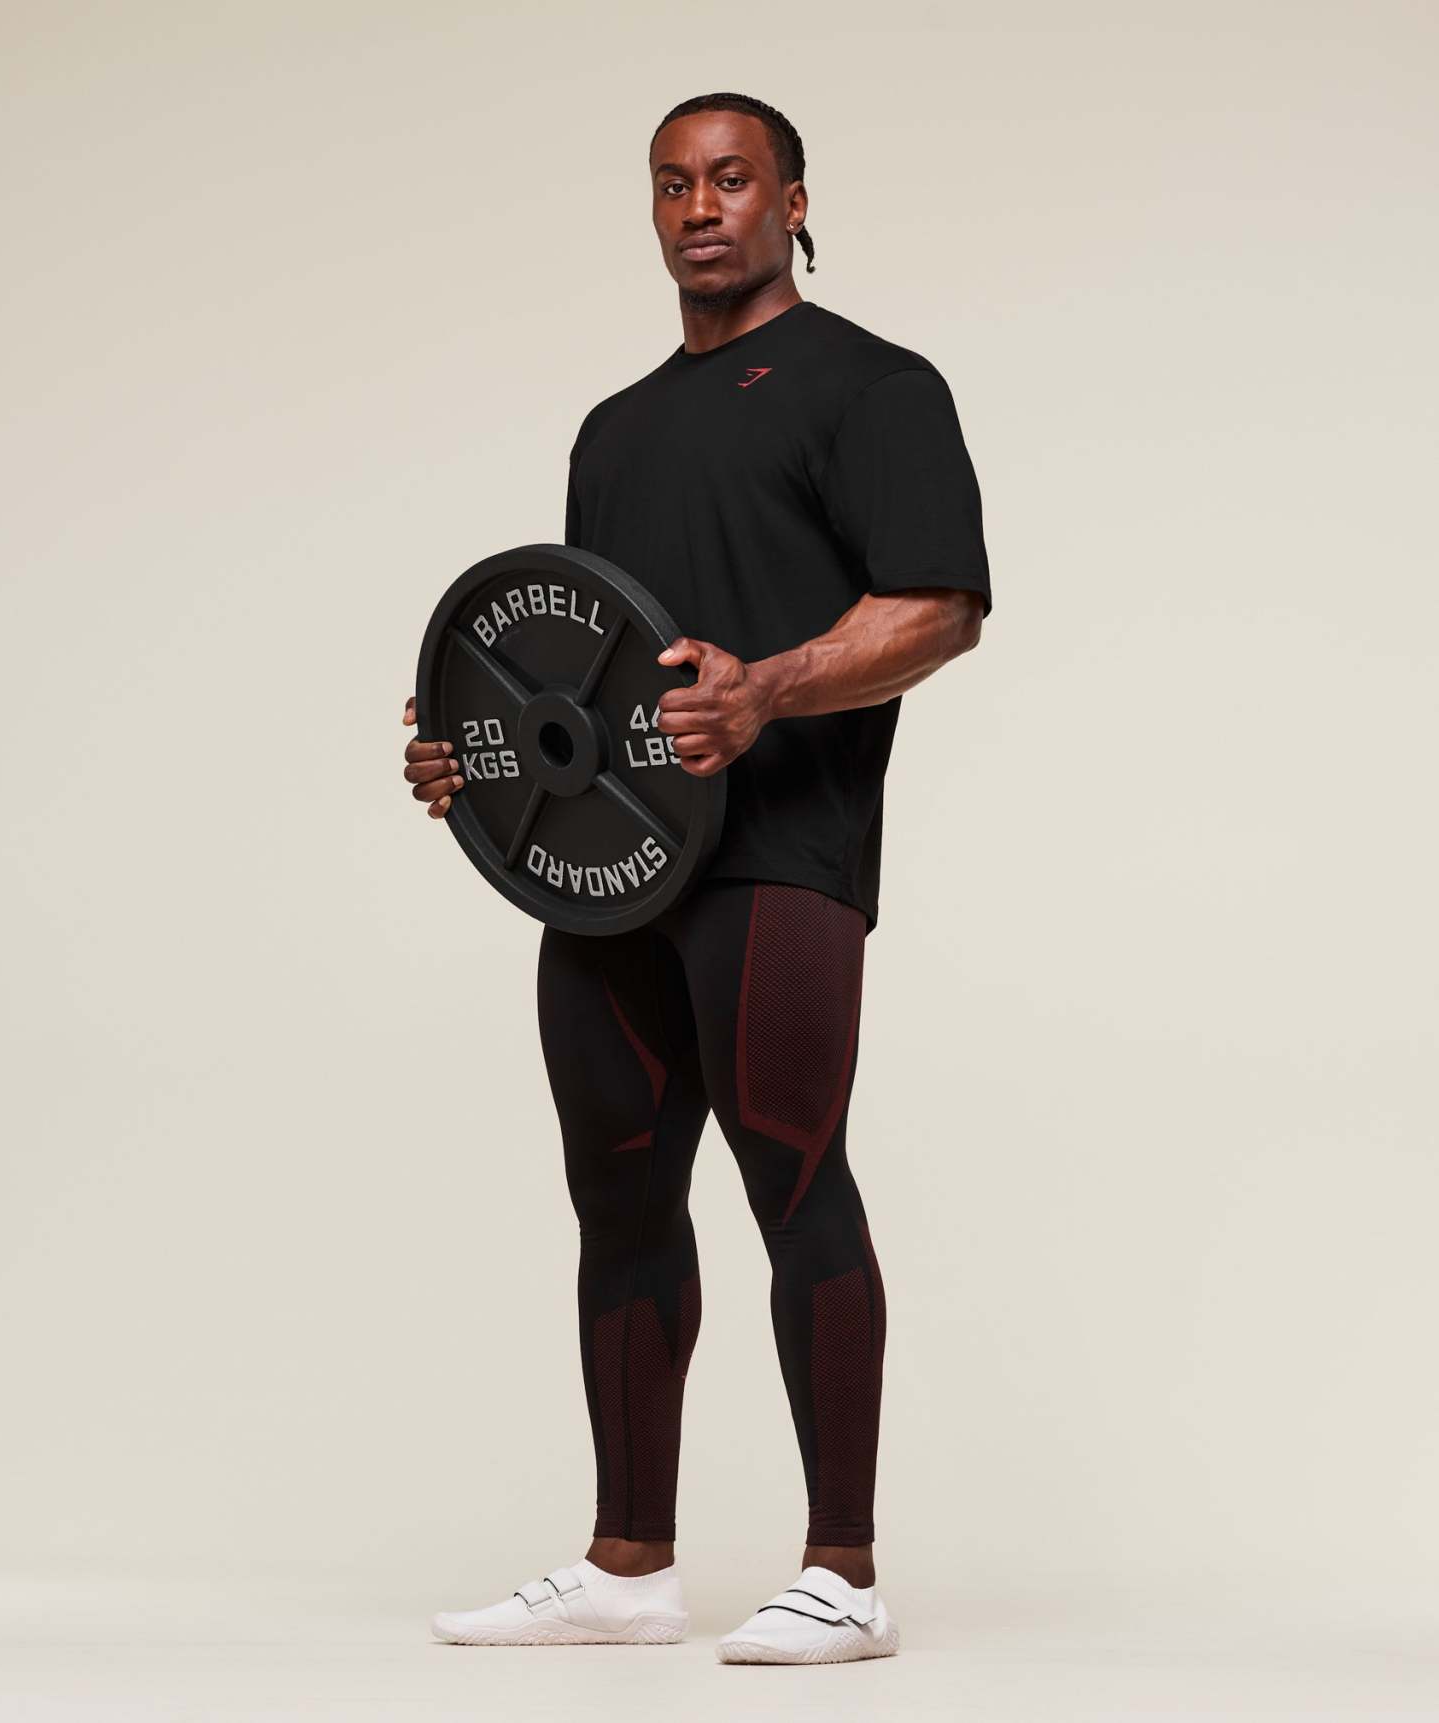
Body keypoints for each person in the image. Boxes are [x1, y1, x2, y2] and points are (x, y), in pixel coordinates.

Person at [401, 91, 990, 1665]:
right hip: (607, 872)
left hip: (779, 858)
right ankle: (627, 1566)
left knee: (793, 1179)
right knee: (616, 1199)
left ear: (793, 200)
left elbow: (938, 607)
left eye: (731, 178)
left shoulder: (873, 387)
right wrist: (476, 759)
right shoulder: (614, 429)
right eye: (671, 184)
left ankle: (843, 1574)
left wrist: (769, 691)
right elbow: (583, 664)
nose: (699, 206)